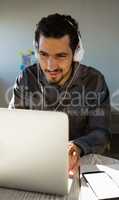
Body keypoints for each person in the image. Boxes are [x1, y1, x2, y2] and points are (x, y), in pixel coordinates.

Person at [9, 13, 111, 177]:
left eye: (61, 56)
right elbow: (13, 126)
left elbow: (100, 133)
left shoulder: (94, 81)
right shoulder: (26, 78)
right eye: (44, 54)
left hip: (78, 166)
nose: (50, 66)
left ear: (76, 53)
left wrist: (77, 146)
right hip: (34, 164)